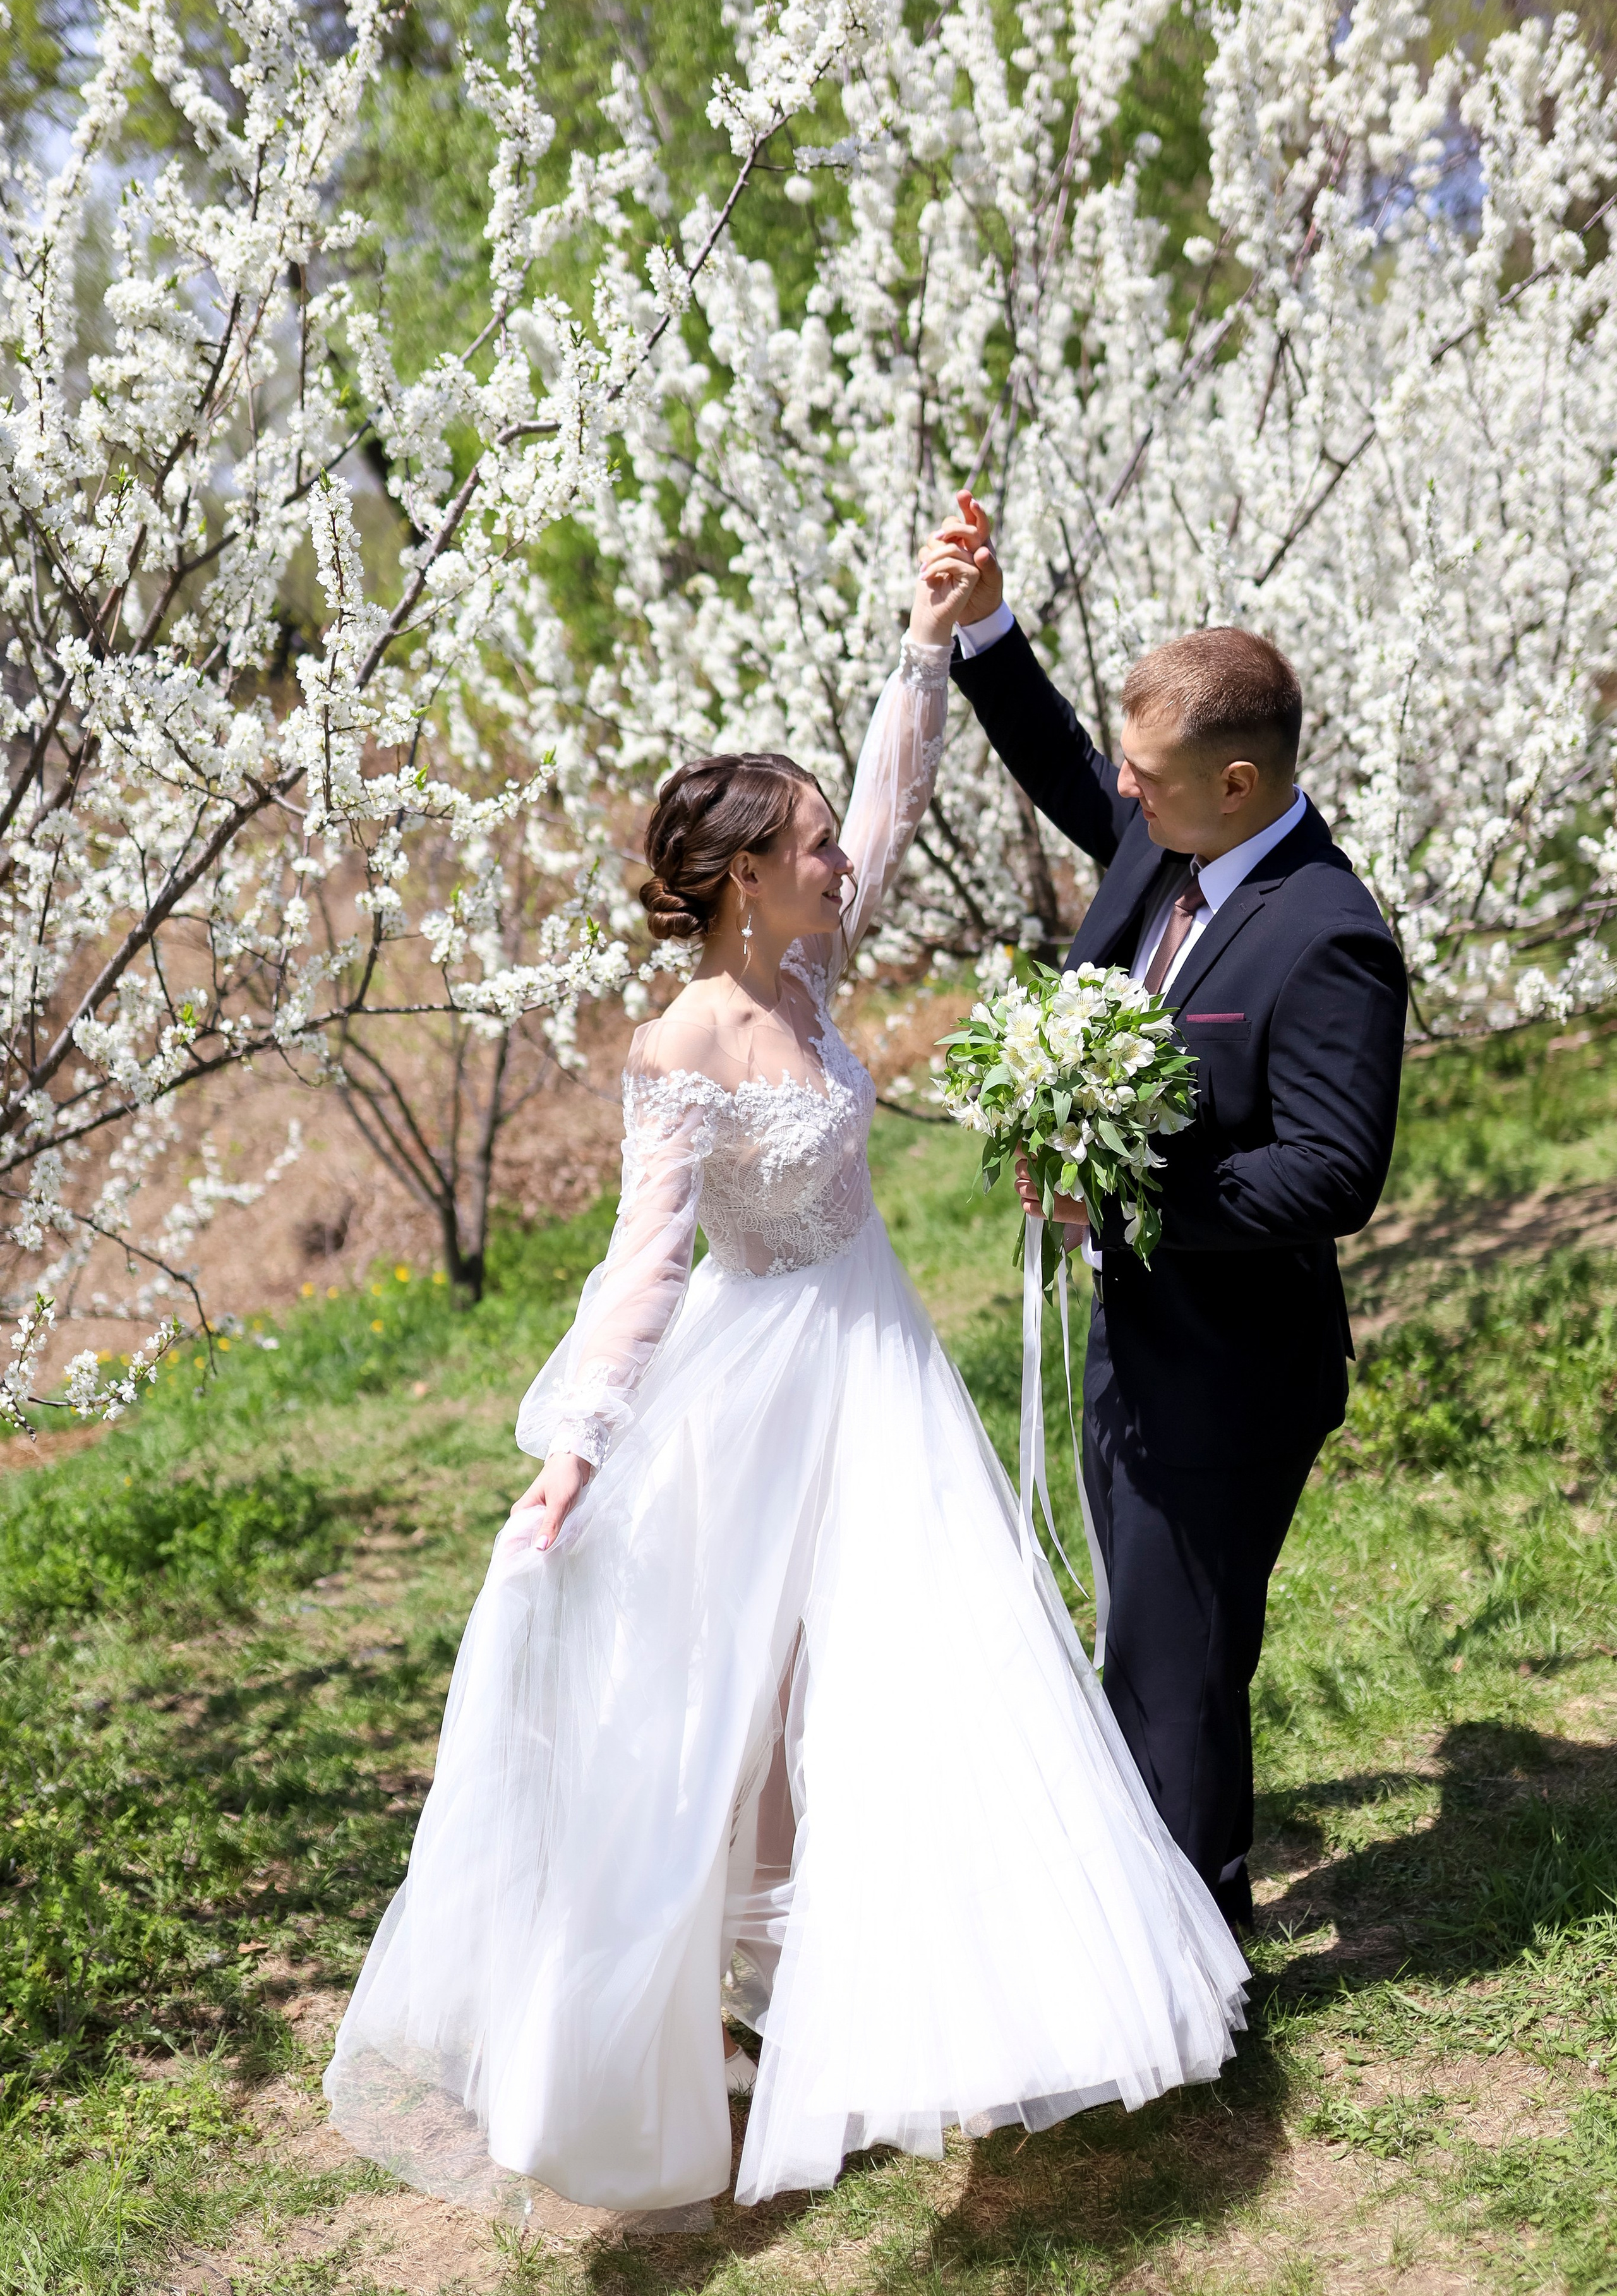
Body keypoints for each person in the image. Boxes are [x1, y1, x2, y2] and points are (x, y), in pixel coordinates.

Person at [323, 540, 1246, 2225]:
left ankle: (938, 1989)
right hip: (756, 1382)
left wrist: (925, 649)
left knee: (910, 1674)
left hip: (878, 1362)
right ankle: (737, 2007)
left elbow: (887, 805)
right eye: (810, 846)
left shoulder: (811, 969)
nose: (844, 861)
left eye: (829, 838)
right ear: (748, 878)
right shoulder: (679, 1049)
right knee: (738, 1704)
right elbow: (643, 1265)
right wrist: (578, 1450)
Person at [937, 493, 1407, 1933]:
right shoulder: (1171, 838)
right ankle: (1174, 1934)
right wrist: (982, 635)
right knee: (1155, 1640)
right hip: (1138, 1343)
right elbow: (1079, 772)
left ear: (1243, 780)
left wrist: (1121, 1195)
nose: (1122, 796)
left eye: (1152, 777)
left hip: (1234, 1366)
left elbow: (1333, 1172)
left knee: (1176, 1653)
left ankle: (1191, 1960)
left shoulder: (1327, 936)